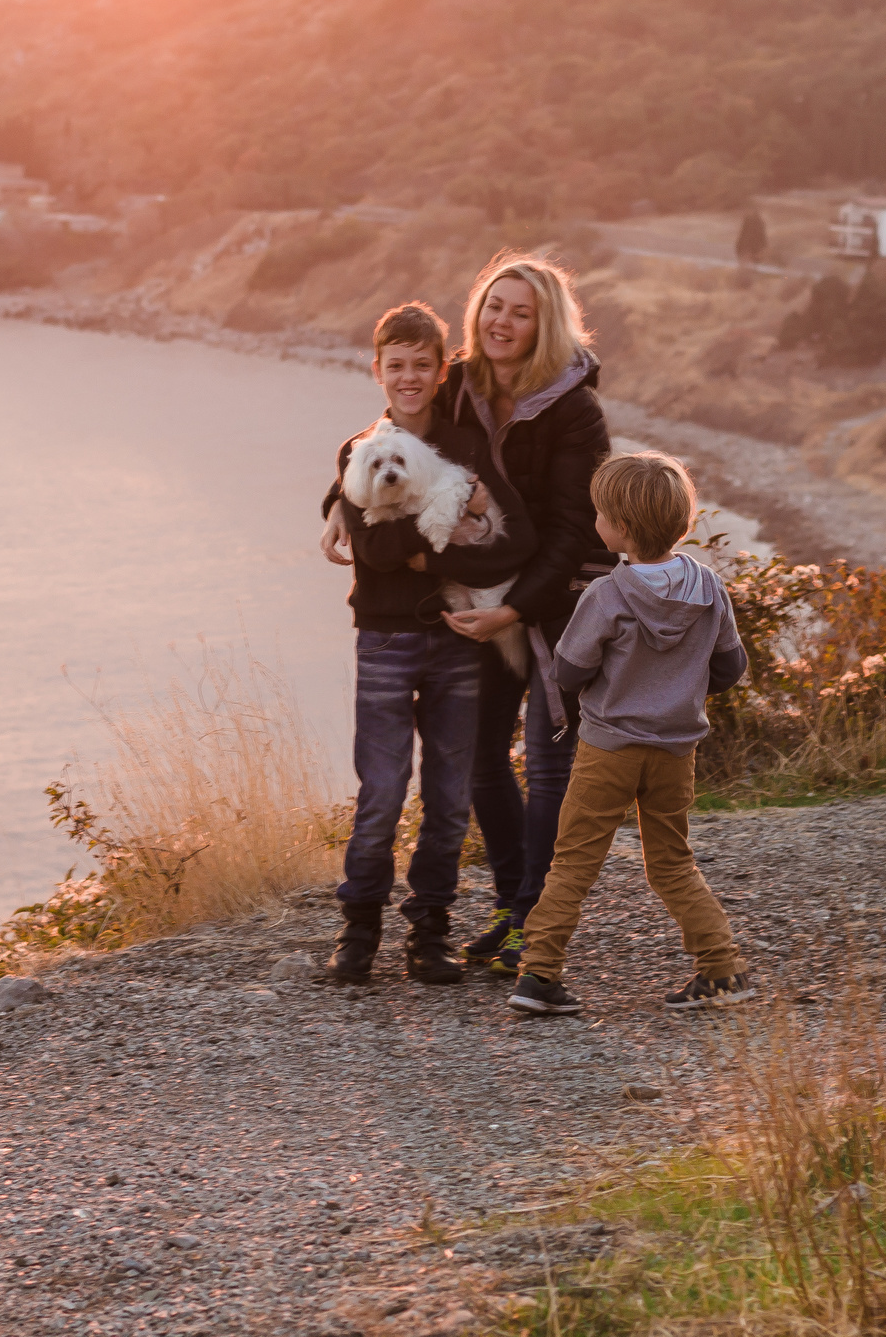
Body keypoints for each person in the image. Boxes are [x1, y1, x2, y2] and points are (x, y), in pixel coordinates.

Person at [319, 303, 535, 985]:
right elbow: (375, 552)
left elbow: (520, 539)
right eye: (395, 366)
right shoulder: (358, 451)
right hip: (383, 641)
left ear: (443, 371)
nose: (408, 378)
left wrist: (424, 551)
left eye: (422, 366)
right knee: (382, 792)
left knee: (448, 797)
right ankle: (358, 929)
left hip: (454, 643)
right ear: (375, 370)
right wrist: (432, 538)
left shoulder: (466, 448)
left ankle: (430, 931)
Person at [508, 451, 754, 1017]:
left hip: (608, 748)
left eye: (599, 513)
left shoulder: (606, 595)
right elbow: (730, 668)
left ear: (618, 528)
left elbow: (567, 671)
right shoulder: (709, 588)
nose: (595, 521)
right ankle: (722, 968)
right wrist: (677, 690)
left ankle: (540, 974)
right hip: (675, 749)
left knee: (574, 860)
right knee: (671, 861)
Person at [436, 254, 616, 978]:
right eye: (492, 305)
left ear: (545, 325)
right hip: (482, 595)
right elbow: (393, 441)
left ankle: (539, 921)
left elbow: (574, 530)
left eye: (520, 311)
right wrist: (338, 500)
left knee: (547, 764)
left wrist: (515, 607)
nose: (500, 321)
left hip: (558, 599)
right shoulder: (459, 384)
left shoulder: (575, 409)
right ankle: (513, 902)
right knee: (477, 757)